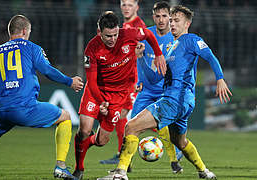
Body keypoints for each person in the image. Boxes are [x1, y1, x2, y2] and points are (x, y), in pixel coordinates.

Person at [98, 5, 232, 180]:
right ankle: (204, 171)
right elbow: (154, 78)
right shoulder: (170, 49)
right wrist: (141, 60)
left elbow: (210, 56)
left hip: (175, 100)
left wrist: (220, 78)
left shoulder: (191, 40)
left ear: (187, 23)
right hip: (181, 102)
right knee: (179, 141)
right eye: (171, 20)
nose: (172, 24)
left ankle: (120, 173)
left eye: (176, 21)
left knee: (130, 126)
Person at [0, 15, 84, 180]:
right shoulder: (31, 47)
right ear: (24, 31)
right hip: (24, 107)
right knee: (65, 117)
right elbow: (47, 70)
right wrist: (69, 81)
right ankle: (61, 167)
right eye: (29, 31)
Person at [70, 11, 166, 180]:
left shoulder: (129, 34)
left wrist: (158, 54)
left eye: (115, 34)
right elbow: (91, 82)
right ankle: (79, 169)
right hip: (96, 92)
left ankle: (86, 143)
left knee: (101, 141)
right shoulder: (91, 49)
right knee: (84, 129)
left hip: (118, 95)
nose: (112, 39)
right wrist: (101, 102)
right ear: (99, 32)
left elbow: (149, 34)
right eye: (108, 36)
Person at [131, 1, 184, 173]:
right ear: (153, 17)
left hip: (165, 91)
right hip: (146, 90)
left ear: (170, 17)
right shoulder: (146, 34)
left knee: (165, 129)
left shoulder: (176, 38)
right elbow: (138, 57)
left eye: (164, 16)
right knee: (132, 125)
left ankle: (174, 161)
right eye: (158, 16)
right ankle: (126, 164)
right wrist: (137, 80)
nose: (161, 20)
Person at [99, 0, 147, 167]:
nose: (126, 8)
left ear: (137, 7)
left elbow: (141, 53)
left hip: (132, 79)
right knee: (123, 116)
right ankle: (122, 154)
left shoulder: (138, 26)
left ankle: (175, 146)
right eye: (123, 4)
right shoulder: (122, 28)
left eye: (130, 5)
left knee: (130, 118)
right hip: (124, 79)